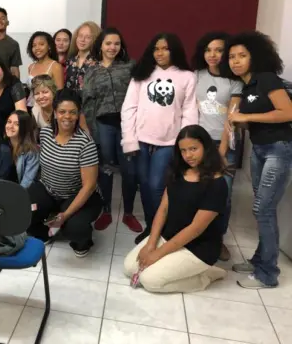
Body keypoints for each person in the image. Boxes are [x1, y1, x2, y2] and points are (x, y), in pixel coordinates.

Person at [221, 31, 292, 289]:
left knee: (263, 209)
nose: (235, 61)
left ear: (256, 56)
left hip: (278, 149)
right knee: (263, 208)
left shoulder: (266, 79)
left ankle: (268, 273)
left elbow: (287, 112)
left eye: (242, 55)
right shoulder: (248, 85)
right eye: (231, 57)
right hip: (260, 150)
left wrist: (245, 119)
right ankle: (260, 260)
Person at [123, 125, 228, 293]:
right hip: (169, 236)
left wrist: (158, 254)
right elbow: (163, 210)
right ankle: (178, 265)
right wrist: (151, 244)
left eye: (193, 149)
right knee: (129, 267)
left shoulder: (217, 184)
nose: (188, 155)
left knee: (150, 281)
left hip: (197, 248)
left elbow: (195, 229)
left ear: (206, 148)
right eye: (183, 150)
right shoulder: (179, 172)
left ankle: (205, 275)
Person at [121, 33, 198, 244]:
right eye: (156, 49)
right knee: (144, 186)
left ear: (174, 50)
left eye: (165, 48)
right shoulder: (142, 74)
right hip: (141, 141)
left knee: (156, 186)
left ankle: (162, 229)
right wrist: (129, 139)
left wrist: (186, 145)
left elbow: (189, 111)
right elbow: (129, 108)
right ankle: (151, 227)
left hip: (169, 143)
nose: (160, 53)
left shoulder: (187, 77)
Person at [27, 89, 103, 257]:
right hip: (48, 189)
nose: (67, 117)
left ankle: (83, 240)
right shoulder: (45, 133)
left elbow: (89, 186)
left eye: (72, 112)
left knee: (75, 227)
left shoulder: (85, 144)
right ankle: (42, 232)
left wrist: (66, 215)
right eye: (62, 112)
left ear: (78, 115)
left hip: (77, 195)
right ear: (55, 113)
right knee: (24, 209)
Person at [82, 28, 142, 233]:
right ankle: (106, 211)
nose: (112, 47)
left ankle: (128, 213)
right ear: (100, 45)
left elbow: (140, 96)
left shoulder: (130, 66)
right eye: (108, 43)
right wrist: (91, 132)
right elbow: (88, 103)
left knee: (130, 171)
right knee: (105, 170)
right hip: (103, 126)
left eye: (116, 43)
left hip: (127, 126)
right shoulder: (91, 70)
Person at [192, 32, 243, 261]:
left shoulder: (234, 80)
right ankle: (194, 235)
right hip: (198, 143)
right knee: (196, 190)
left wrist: (221, 152)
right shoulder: (196, 76)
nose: (213, 55)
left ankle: (218, 239)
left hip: (224, 144)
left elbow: (232, 118)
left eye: (219, 50)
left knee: (224, 193)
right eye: (208, 50)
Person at [26, 31, 64, 108]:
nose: (37, 48)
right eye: (34, 45)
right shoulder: (31, 67)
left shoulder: (55, 66)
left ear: (49, 46)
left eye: (41, 44)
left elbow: (60, 94)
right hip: (30, 108)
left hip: (49, 110)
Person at [5, 110, 39, 188]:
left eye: (17, 124)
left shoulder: (32, 152)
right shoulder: (3, 145)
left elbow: (27, 183)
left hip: (21, 192)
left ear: (24, 128)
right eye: (9, 122)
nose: (10, 126)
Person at [65, 21, 101, 94]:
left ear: (95, 40)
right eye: (80, 36)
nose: (82, 40)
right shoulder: (70, 61)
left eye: (88, 37)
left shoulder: (98, 63)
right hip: (70, 103)